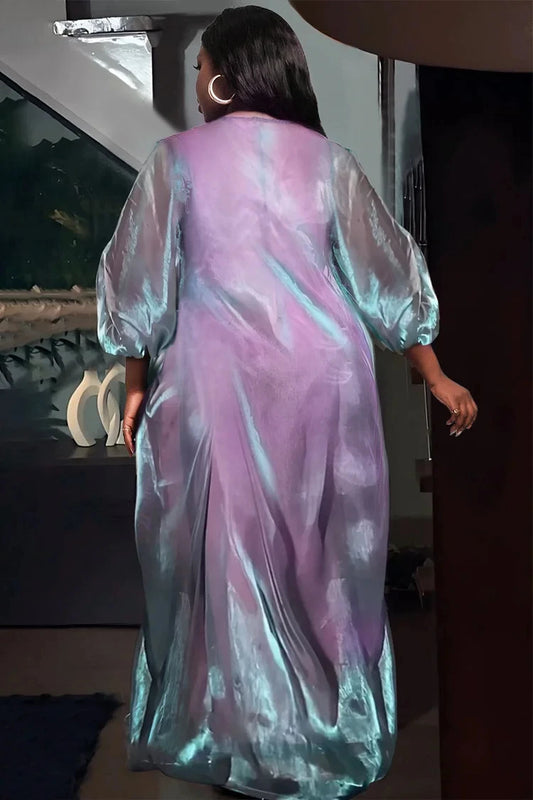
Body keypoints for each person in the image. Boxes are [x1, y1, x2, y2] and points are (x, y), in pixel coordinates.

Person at [96, 6, 477, 799]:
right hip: (322, 381)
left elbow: (140, 285)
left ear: (227, 77)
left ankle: (240, 731)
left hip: (219, 380)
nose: (196, 80)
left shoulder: (176, 160)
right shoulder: (328, 161)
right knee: (318, 556)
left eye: (201, 66)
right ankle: (319, 730)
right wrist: (433, 372)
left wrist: (134, 384)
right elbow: (384, 277)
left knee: (232, 555)